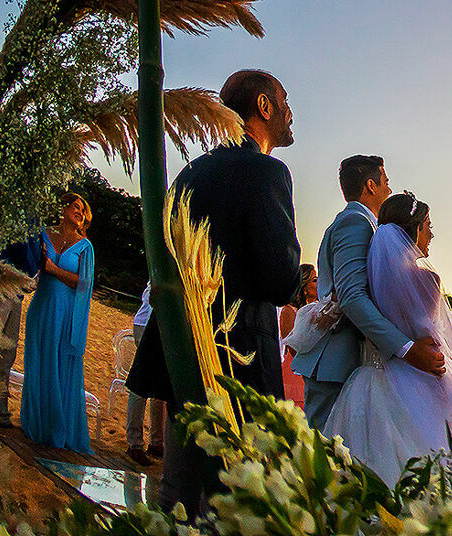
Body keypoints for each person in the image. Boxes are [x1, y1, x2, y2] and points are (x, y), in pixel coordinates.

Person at [127, 70, 306, 513]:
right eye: (285, 101)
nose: (290, 112)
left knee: (177, 493)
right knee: (230, 501)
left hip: (181, 351)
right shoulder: (267, 172)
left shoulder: (191, 172)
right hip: (236, 359)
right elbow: (281, 279)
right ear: (264, 106)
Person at [323, 192, 452, 485]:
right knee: (441, 460)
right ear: (414, 229)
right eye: (428, 226)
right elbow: (433, 336)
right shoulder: (428, 279)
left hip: (374, 374)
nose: (431, 234)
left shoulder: (368, 279)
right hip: (423, 375)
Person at [293, 155, 445, 430]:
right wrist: (407, 349)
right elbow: (352, 297)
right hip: (338, 360)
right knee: (323, 446)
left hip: (355, 360)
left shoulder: (366, 225)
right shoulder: (355, 222)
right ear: (371, 186)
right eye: (386, 181)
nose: (389, 188)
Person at [20, 191, 95, 453]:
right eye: (75, 206)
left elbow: (84, 284)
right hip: (41, 307)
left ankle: (55, 427)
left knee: (59, 365)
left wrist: (53, 269)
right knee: (38, 362)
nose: (79, 212)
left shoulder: (85, 247)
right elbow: (30, 264)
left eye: (83, 210)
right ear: (62, 208)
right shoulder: (43, 234)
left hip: (66, 313)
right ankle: (35, 424)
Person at [0, 230, 42, 430]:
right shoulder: (24, 216)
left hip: (15, 290)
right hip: (1, 283)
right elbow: (20, 244)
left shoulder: (39, 223)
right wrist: (31, 275)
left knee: (7, 353)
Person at [125, 282, 164, 466]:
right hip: (148, 323)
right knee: (141, 383)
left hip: (163, 324)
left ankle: (157, 441)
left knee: (161, 386)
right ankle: (135, 443)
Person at [278, 265, 318, 410]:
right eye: (315, 280)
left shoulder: (319, 311)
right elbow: (293, 347)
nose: (319, 283)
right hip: (295, 374)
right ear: (304, 287)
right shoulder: (289, 310)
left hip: (313, 373)